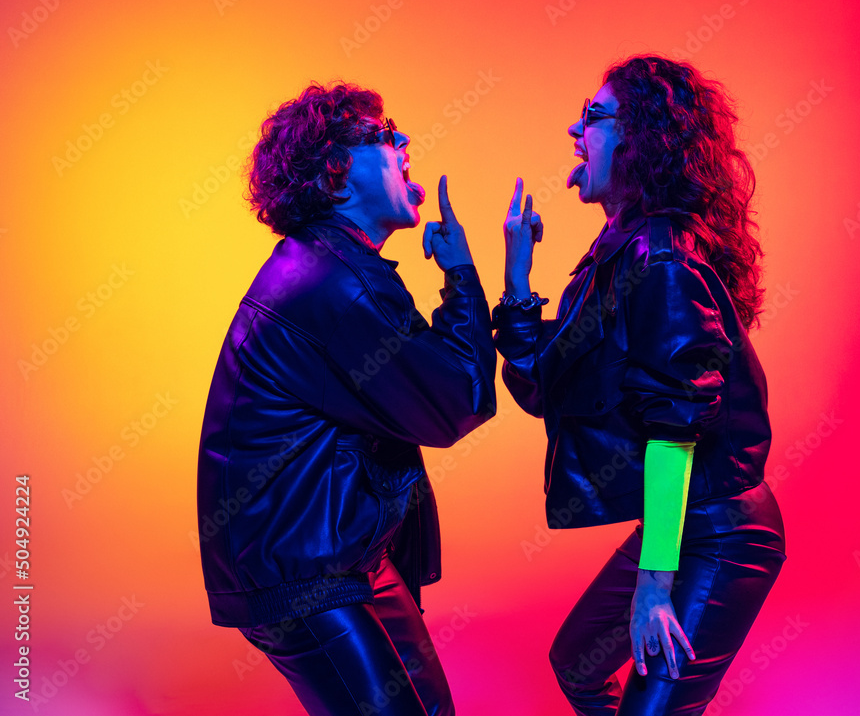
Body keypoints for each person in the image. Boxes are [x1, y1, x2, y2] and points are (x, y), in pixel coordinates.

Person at [492, 55, 786, 714]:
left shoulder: (663, 262)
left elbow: (675, 431)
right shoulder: (620, 250)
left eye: (593, 116)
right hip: (682, 523)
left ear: (640, 139)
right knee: (575, 663)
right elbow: (543, 385)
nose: (574, 128)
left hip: (723, 531)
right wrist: (518, 271)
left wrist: (654, 588)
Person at [196, 81, 496, 716]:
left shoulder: (338, 267)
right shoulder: (335, 286)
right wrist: (462, 273)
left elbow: (434, 383)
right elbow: (455, 400)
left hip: (348, 560)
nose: (404, 142)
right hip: (305, 579)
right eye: (385, 135)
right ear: (335, 174)